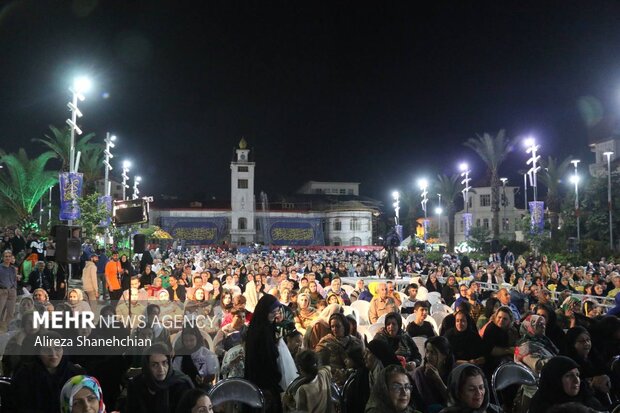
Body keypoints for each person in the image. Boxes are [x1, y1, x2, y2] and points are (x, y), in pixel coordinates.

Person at [11, 331, 85, 413]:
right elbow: (19, 406)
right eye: (47, 350)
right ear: (38, 353)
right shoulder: (25, 374)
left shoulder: (75, 373)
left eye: (57, 348)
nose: (53, 354)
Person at [244, 294, 286, 413]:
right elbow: (265, 358)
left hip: (266, 379)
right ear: (265, 311)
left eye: (277, 312)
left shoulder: (265, 326)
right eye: (272, 312)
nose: (275, 315)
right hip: (262, 381)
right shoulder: (260, 331)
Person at [126, 343, 194, 413]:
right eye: (154, 365)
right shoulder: (136, 384)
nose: (161, 369)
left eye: (164, 363)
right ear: (147, 367)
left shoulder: (181, 384)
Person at [530, 356, 604, 413]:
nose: (576, 380)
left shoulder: (586, 397)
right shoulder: (541, 406)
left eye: (577, 375)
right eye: (569, 376)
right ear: (555, 379)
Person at [315, 312, 363, 385]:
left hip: (354, 379)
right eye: (332, 326)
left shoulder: (355, 342)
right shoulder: (325, 343)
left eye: (337, 326)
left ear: (344, 326)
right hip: (334, 381)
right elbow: (321, 366)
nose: (334, 329)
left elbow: (362, 362)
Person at [412, 336, 454, 412]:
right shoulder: (419, 373)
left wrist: (438, 380)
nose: (428, 356)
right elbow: (424, 403)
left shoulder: (453, 372)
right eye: (427, 351)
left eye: (433, 352)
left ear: (445, 355)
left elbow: (454, 401)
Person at [481, 306, 516, 376]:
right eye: (499, 317)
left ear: (510, 321)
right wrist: (509, 350)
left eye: (505, 319)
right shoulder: (491, 328)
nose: (501, 320)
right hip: (492, 366)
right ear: (495, 317)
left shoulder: (510, 330)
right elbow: (491, 350)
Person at [0, 250, 17, 329]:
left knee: (11, 312)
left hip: (12, 291)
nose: (7, 258)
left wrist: (14, 288)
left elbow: (14, 280)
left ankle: (8, 329)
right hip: (2, 291)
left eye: (9, 256)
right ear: (3, 257)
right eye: (6, 256)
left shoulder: (13, 268)